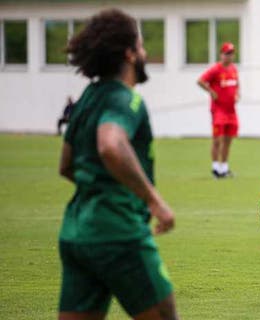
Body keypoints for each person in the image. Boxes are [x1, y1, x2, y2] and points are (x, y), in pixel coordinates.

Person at [58, 9, 179, 320]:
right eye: (140, 46)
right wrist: (153, 200)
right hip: (119, 232)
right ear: (129, 54)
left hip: (76, 232)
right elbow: (111, 144)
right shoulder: (126, 100)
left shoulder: (87, 98)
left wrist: (101, 187)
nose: (145, 53)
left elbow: (66, 165)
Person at [197, 42, 240, 178]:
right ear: (221, 54)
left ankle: (224, 168)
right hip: (219, 110)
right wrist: (211, 91)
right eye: (227, 53)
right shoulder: (216, 69)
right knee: (218, 140)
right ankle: (215, 168)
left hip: (231, 111)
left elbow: (237, 84)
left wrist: (238, 94)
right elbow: (201, 81)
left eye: (231, 53)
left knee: (228, 140)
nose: (229, 56)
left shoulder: (233, 69)